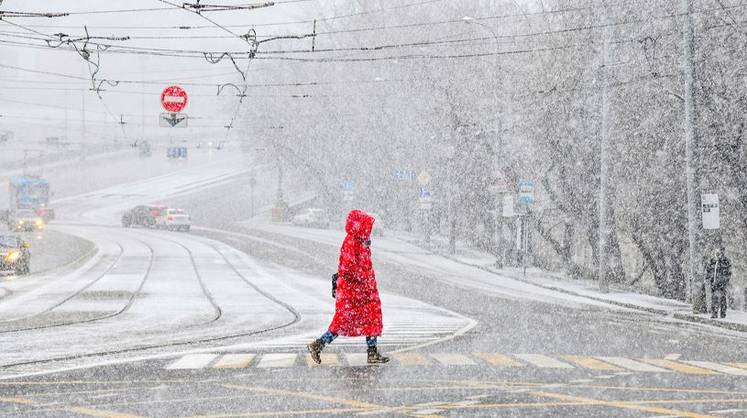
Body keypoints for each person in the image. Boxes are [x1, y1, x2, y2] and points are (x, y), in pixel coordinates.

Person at [308, 210, 389, 364]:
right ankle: (318, 344)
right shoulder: (352, 242)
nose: (369, 229)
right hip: (353, 291)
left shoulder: (360, 241)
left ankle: (372, 352)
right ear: (359, 226)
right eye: (366, 226)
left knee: (372, 317)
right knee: (344, 321)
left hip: (362, 289)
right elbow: (348, 268)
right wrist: (363, 279)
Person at [705, 245, 732, 319]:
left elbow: (729, 272)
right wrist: (709, 279)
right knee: (714, 298)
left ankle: (722, 314)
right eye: (717, 251)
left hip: (722, 283)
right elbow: (708, 270)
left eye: (720, 251)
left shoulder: (726, 261)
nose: (718, 253)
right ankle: (714, 313)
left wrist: (724, 280)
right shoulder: (712, 261)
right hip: (713, 283)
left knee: (722, 298)